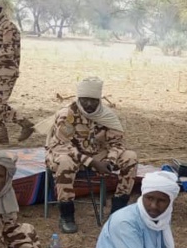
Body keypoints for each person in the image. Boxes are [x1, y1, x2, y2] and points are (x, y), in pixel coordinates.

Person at [45, 76, 138, 234]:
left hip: (97, 155)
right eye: (85, 99)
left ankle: (117, 211)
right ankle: (67, 216)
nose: (89, 104)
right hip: (66, 154)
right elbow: (64, 145)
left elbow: (117, 143)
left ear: (99, 100)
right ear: (79, 98)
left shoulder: (107, 116)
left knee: (130, 157)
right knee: (65, 162)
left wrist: (110, 160)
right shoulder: (66, 115)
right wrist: (92, 162)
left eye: (93, 100)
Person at [0, 0, 33, 144]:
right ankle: (1, 134)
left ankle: (25, 124)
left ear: (2, 10)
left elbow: (8, 52)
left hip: (6, 71)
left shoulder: (8, 27)